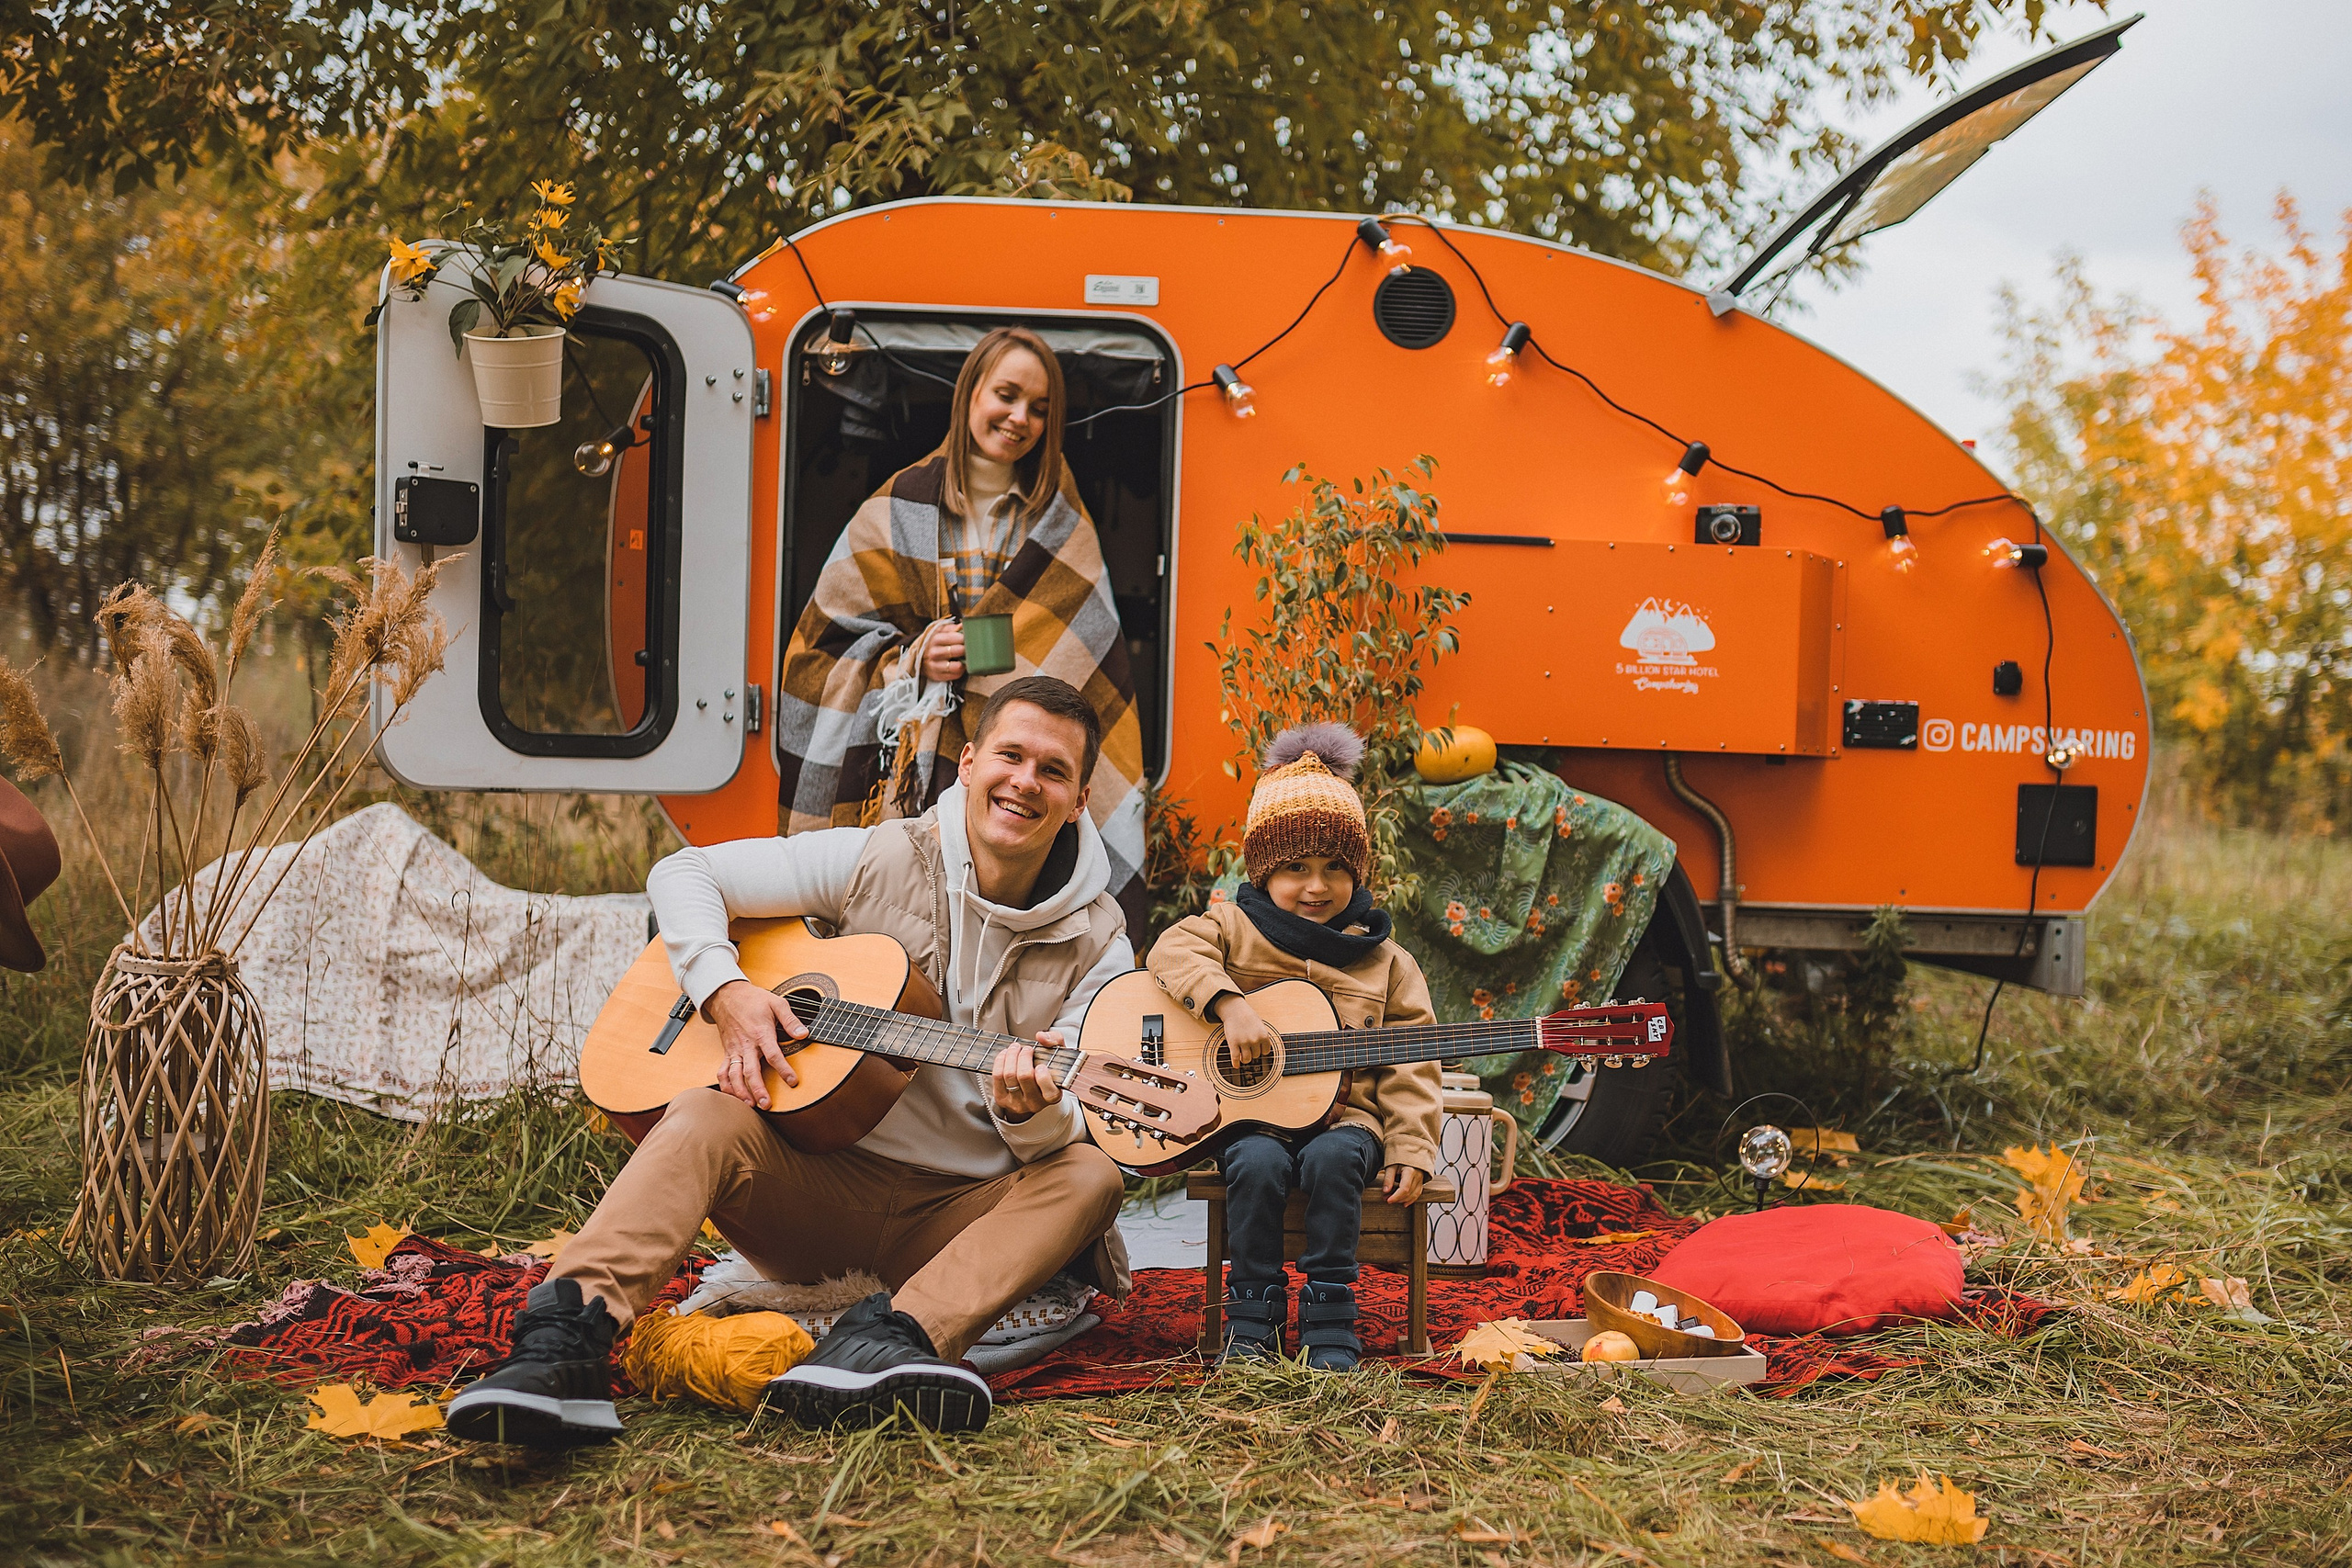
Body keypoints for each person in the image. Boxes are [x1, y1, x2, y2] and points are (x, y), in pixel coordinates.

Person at [447, 677, 1132, 1447]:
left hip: (959, 1217)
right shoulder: (877, 856)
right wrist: (725, 989)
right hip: (819, 1183)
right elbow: (686, 873)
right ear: (968, 763)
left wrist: (1030, 1111)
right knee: (706, 1111)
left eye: (1053, 770)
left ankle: (889, 1345)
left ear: (1077, 801)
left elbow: (1070, 1126)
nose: (1025, 782)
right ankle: (562, 1345)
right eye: (1010, 755)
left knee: (1091, 1175)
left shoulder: (1101, 944)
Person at [775, 325, 1148, 922]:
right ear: (971, 393)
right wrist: (914, 658)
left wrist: (990, 658)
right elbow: (822, 649)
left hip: (1015, 782)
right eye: (1006, 394)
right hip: (917, 783)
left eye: (1039, 409)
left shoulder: (1061, 523)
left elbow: (1080, 661)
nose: (1019, 416)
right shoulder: (898, 507)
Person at [1145, 724, 1442, 1370]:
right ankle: (1252, 1316)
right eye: (1296, 867)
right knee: (1254, 1163)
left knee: (1336, 1158)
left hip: (1350, 1120)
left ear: (1358, 871)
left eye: (1336, 867)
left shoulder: (1384, 960)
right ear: (1264, 868)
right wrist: (1231, 1006)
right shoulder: (1232, 926)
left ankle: (1330, 1312)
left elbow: (1413, 1059)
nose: (1317, 885)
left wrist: (1413, 1146)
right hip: (1254, 1119)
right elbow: (1171, 949)